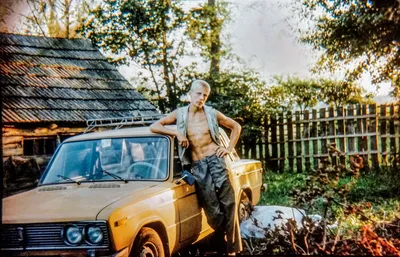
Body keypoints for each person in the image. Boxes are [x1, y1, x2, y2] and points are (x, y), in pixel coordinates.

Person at [150, 79, 242, 255]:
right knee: (213, 212)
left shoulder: (212, 113)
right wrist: (176, 132)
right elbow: (155, 126)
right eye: (198, 94)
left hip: (217, 161)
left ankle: (231, 249)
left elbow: (236, 127)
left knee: (229, 204)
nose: (201, 98)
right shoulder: (180, 114)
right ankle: (222, 238)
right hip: (198, 166)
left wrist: (229, 149)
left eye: (205, 95)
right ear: (190, 94)